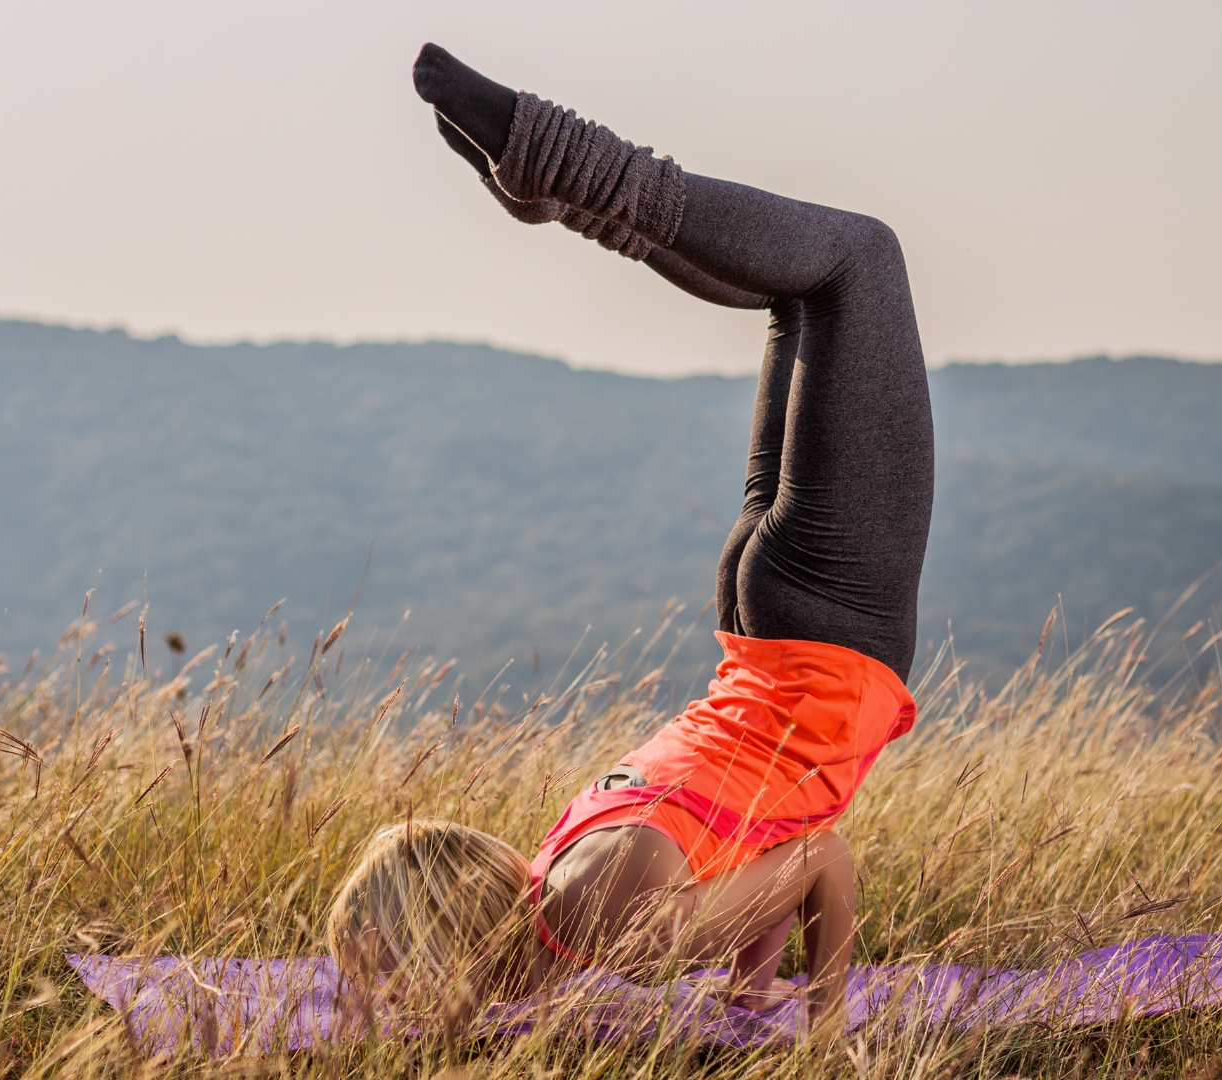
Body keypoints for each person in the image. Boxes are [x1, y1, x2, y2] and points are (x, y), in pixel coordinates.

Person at [324, 43, 935, 1036]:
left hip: (828, 637)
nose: (399, 1004)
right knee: (804, 295)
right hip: (764, 626)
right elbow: (756, 836)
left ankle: (558, 163)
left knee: (859, 259)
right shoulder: (566, 864)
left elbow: (817, 861)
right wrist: (748, 993)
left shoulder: (624, 936)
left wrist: (821, 1034)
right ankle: (560, 190)